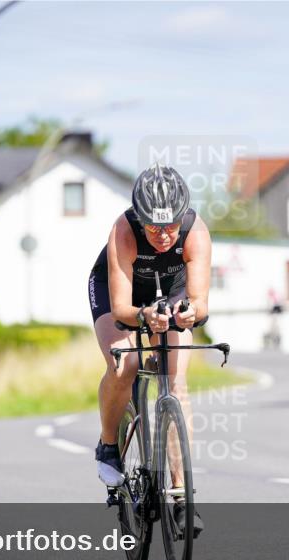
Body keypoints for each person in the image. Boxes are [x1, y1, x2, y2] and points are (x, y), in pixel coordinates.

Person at [87, 164, 211, 536]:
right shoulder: (123, 231)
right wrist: (144, 316)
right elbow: (121, 310)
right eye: (154, 228)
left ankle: (180, 496)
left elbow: (201, 303)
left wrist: (189, 313)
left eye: (170, 226)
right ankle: (109, 444)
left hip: (172, 292)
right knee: (124, 364)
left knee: (176, 383)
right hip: (121, 296)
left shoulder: (195, 232)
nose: (164, 235)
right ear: (140, 220)